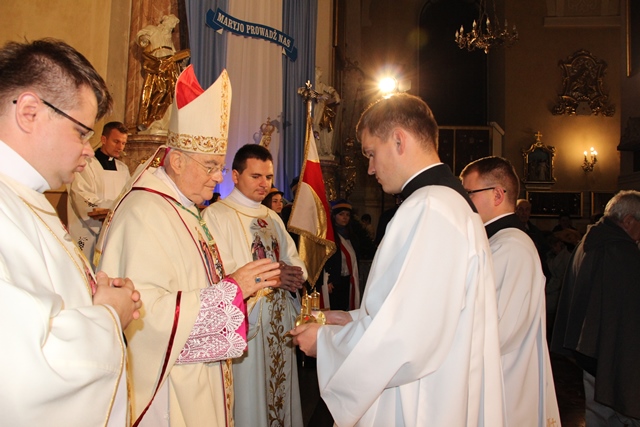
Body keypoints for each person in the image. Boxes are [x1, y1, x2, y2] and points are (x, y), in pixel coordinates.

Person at [290, 93, 505, 426]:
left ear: (399, 140)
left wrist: (325, 343)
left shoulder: (429, 207)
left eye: (371, 153)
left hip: (420, 402)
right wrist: (351, 320)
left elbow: (404, 339)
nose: (371, 169)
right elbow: (421, 312)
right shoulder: (449, 205)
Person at [97, 66, 281, 427]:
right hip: (168, 391)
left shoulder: (184, 207)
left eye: (220, 167)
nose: (217, 178)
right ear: (177, 160)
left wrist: (235, 290)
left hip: (198, 376)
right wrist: (232, 291)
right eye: (210, 166)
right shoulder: (144, 213)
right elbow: (145, 316)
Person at [0, 38, 141, 426]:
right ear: (29, 113)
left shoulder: (25, 197)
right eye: (81, 132)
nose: (88, 149)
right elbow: (24, 376)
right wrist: (108, 315)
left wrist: (90, 296)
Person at [204, 144, 307, 427]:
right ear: (236, 176)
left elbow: (293, 260)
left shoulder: (272, 217)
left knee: (281, 392)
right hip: (249, 322)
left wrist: (294, 274)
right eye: (256, 176)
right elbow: (221, 273)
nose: (264, 184)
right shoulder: (217, 215)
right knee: (251, 396)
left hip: (279, 320)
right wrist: (273, 276)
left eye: (269, 177)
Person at [460, 156, 560, 426]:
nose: (464, 202)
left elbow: (500, 331)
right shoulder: (497, 242)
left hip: (505, 382)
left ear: (497, 194)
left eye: (469, 193)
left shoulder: (511, 247)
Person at [552, 190, 640, 426]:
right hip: (615, 350)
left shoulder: (588, 241)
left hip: (589, 346)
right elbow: (629, 310)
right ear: (628, 220)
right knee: (622, 408)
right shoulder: (621, 250)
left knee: (597, 411)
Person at [67, 121, 130, 266]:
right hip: (89, 230)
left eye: (123, 143)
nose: (120, 147)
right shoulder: (86, 165)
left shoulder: (123, 169)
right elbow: (81, 196)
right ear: (103, 139)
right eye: (116, 141)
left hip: (114, 230)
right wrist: (112, 207)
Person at [136, 14, 190, 134]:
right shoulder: (153, 30)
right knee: (159, 91)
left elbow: (174, 54)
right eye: (171, 23)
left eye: (173, 25)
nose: (172, 26)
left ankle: (165, 121)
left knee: (170, 93)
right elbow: (141, 36)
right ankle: (154, 120)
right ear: (165, 21)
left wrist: (182, 60)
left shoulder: (169, 39)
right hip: (158, 63)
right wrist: (143, 39)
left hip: (170, 66)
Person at [516, 198, 551, 277]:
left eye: (527, 210)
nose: (524, 213)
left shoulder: (535, 231)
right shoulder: (511, 229)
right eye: (521, 209)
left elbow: (545, 248)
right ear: (515, 211)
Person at [313, 67, 340, 158]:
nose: (321, 72)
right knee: (316, 127)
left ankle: (327, 149)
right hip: (315, 109)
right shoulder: (311, 85)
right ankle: (317, 150)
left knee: (328, 129)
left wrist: (335, 94)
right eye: (319, 71)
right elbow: (309, 94)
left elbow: (329, 89)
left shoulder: (321, 85)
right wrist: (319, 96)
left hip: (322, 109)